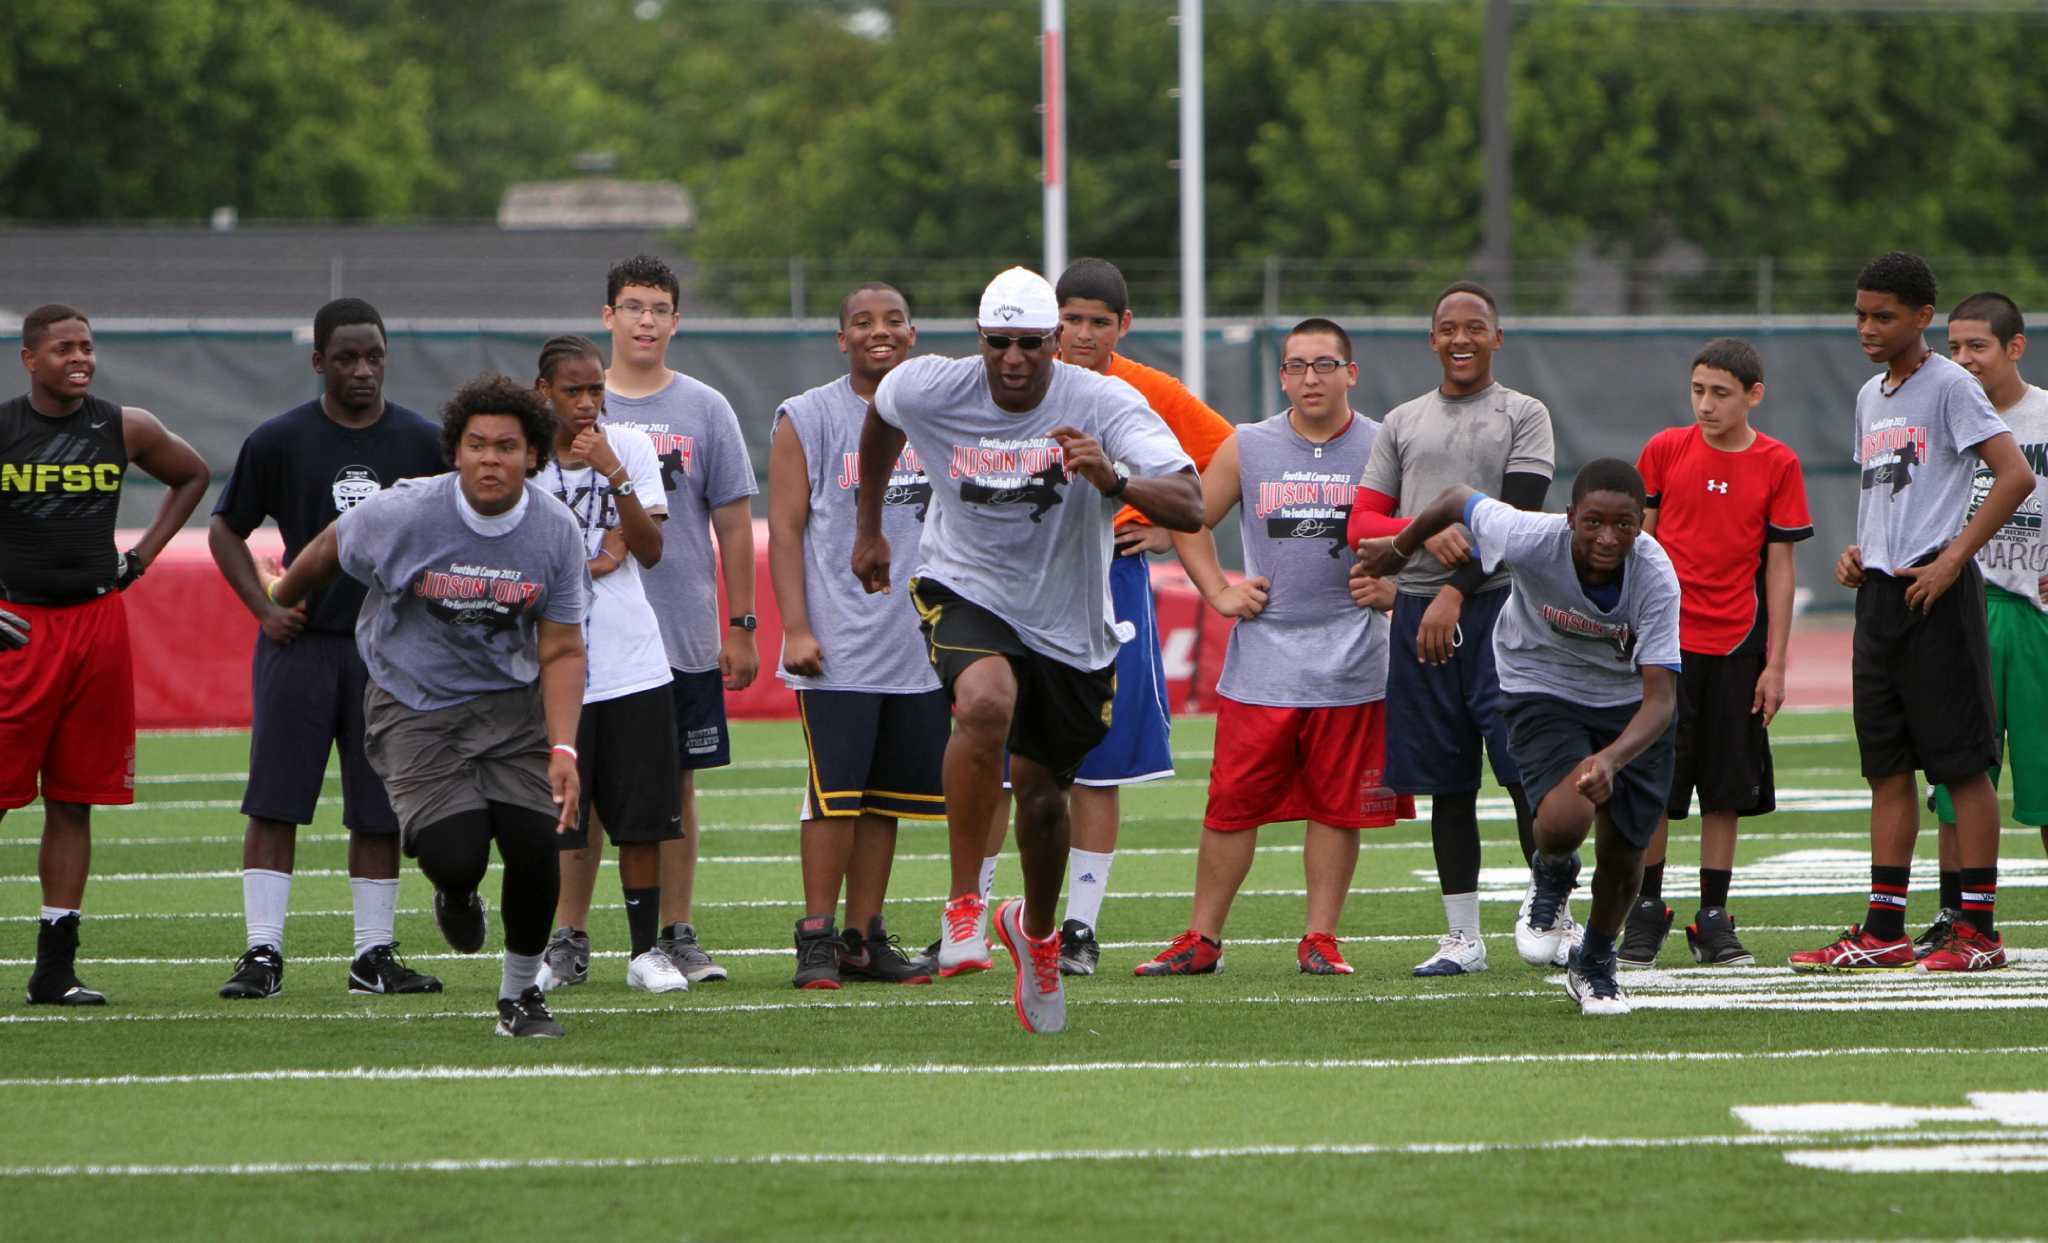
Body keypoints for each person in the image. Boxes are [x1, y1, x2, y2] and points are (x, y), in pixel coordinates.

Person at [853, 266, 1202, 1035]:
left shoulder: (1100, 399)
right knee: (984, 702)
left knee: (1045, 803)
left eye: (1031, 345)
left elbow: (1193, 499)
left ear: (1055, 344)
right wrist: (870, 525)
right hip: (964, 584)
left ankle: (1039, 936)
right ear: (978, 339)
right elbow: (882, 416)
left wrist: (1112, 474)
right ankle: (965, 902)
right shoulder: (932, 385)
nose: (1014, 360)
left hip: (1068, 620)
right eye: (998, 343)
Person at [267, 375, 590, 1037]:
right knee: (456, 853)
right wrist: (288, 588)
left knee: (535, 845)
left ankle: (520, 996)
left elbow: (561, 649)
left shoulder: (555, 531)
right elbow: (335, 542)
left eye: (507, 446)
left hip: (511, 705)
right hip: (414, 700)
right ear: (456, 451)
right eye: (476, 445)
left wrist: (564, 747)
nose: (490, 459)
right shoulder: (408, 511)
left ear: (534, 455)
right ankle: (455, 890)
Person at [972, 257, 1236, 976]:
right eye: (1070, 319)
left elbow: (1227, 456)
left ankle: (1079, 927)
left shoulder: (1146, 389)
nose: (1081, 333)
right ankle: (973, 915)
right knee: (997, 756)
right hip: (1013, 581)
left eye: (1097, 321)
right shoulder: (1009, 378)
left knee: (1098, 761)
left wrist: (1163, 526)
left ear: (1123, 325)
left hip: (1106, 580)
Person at [1135, 318, 1412, 978]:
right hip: (1264, 660)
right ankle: (1202, 937)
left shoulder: (1386, 445)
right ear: (1282, 374)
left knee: (1337, 804)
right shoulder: (1249, 444)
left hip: (1353, 659)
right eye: (1296, 366)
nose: (1309, 378)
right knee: (1231, 804)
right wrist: (1217, 592)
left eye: (1324, 365)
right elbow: (1188, 516)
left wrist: (1397, 587)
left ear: (1352, 372)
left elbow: (1426, 534)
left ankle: (1320, 936)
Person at [1357, 460, 1683, 1015]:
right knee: (1565, 815)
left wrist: (1612, 758)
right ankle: (1553, 869)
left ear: (1640, 525)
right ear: (1569, 517)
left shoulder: (1655, 576)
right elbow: (1457, 495)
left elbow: (1661, 700)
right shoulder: (1530, 536)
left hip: (1627, 706)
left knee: (1627, 852)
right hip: (1539, 683)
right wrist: (1398, 549)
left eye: (1624, 525)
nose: (1608, 538)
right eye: (1594, 523)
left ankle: (1596, 963)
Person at [1791, 253, 2035, 974]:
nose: (1868, 327)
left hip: (1937, 592)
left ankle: (1980, 930)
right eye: (1861, 313)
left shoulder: (1951, 385)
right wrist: (1863, 550)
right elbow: (1897, 490)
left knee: (1962, 767)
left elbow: (2014, 473)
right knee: (1887, 769)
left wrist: (1956, 556)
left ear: (1922, 317)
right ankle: (1883, 929)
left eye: (1884, 315)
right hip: (1880, 595)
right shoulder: (1871, 393)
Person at [210, 298, 446, 1000]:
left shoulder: (422, 441)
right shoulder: (279, 439)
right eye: (346, 357)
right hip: (302, 647)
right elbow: (226, 528)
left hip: (388, 656)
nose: (362, 369)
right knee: (276, 801)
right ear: (319, 361)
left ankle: (372, 955)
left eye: (373, 355)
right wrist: (263, 607)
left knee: (379, 809)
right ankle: (262, 953)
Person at [1347, 282, 1560, 977]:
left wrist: (1452, 591)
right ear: (1431, 339)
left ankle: (1553, 914)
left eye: (1476, 326)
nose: (1461, 337)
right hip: (1415, 615)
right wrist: (1423, 537)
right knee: (1447, 782)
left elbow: (1519, 519)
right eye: (1447, 327)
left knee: (1526, 771)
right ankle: (1462, 937)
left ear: (1497, 337)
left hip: (1500, 609)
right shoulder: (1403, 421)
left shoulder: (1524, 415)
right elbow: (1363, 524)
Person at [555, 253, 757, 985]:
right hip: (584, 639)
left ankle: (676, 930)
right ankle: (569, 934)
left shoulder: (705, 407)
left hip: (679, 631)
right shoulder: (571, 401)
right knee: (581, 789)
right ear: (608, 316)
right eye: (633, 307)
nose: (646, 320)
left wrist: (740, 621)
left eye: (659, 308)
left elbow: (734, 522)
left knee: (674, 788)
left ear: (677, 320)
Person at [2, 304, 209, 1005]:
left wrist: (140, 559)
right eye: (63, 348)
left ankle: (54, 966)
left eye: (87, 346)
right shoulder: (4, 428)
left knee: (75, 799)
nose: (80, 358)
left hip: (95, 622)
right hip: (19, 629)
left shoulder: (124, 425)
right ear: (30, 358)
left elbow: (192, 474)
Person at [770, 283, 943, 989]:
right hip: (838, 644)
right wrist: (797, 627)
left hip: (919, 645)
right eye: (863, 322)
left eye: (894, 320)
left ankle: (862, 936)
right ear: (841, 338)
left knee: (886, 799)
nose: (880, 331)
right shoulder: (806, 416)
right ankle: (816, 933)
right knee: (834, 796)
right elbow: (782, 528)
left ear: (913, 332)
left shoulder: (939, 414)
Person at [1620, 338, 1812, 969]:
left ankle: (1712, 916)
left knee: (1724, 789)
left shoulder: (1778, 463)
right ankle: (1647, 908)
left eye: (1721, 393)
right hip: (1665, 647)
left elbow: (1779, 569)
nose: (1706, 404)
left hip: (1737, 645)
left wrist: (1776, 663)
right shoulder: (1664, 449)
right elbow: (1641, 547)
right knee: (1656, 785)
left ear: (1754, 395)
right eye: (1698, 390)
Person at [528, 335, 690, 995]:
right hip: (555, 663)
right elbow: (535, 558)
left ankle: (645, 949)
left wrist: (616, 474)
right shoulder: (528, 460)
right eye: (574, 391)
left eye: (596, 389)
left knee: (643, 815)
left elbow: (648, 549)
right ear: (544, 392)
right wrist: (587, 559)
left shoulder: (632, 446)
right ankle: (566, 940)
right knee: (563, 812)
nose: (589, 403)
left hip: (632, 661)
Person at [1916, 292, 2048, 966]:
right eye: (1955, 346)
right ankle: (1960, 917)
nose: (1963, 359)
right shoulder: (1938, 414)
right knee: (1956, 776)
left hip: (2035, 618)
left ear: (2015, 346)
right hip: (1960, 608)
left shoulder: (2045, 416)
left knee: (2046, 780)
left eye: (1978, 346)